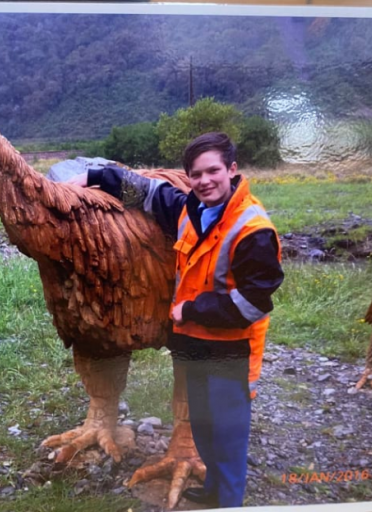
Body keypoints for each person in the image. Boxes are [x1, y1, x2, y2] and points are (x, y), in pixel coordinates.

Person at [68, 132, 284, 508]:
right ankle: (213, 489)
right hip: (192, 347)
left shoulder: (253, 230)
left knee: (228, 434)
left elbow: (254, 304)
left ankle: (227, 500)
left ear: (232, 170)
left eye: (213, 171)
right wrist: (95, 177)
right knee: (202, 426)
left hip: (230, 351)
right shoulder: (191, 209)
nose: (205, 181)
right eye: (196, 174)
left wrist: (192, 310)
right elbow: (147, 192)